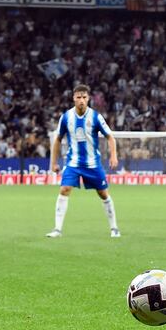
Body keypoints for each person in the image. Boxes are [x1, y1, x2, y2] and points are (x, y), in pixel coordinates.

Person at [46, 84, 120, 238]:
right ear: (73, 98)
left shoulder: (95, 117)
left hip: (93, 163)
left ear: (88, 99)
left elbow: (110, 137)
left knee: (103, 193)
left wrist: (114, 156)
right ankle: (57, 229)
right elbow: (57, 139)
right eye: (78, 97)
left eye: (84, 97)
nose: (81, 100)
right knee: (64, 189)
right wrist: (53, 163)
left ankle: (114, 228)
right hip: (73, 163)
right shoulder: (66, 117)